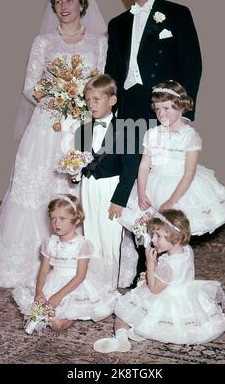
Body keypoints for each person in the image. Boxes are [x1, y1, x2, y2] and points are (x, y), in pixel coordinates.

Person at [0, 0, 108, 288]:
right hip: (46, 127)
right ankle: (25, 265)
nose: (63, 6)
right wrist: (58, 100)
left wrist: (82, 104)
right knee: (34, 190)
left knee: (76, 189)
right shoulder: (43, 42)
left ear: (81, 4)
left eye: (69, 0)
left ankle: (78, 265)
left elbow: (102, 85)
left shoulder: (99, 42)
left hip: (81, 126)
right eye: (58, 2)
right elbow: (30, 87)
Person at [93, 209, 225, 352]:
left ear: (175, 237)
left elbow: (154, 289)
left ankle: (121, 338)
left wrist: (150, 266)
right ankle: (137, 332)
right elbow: (175, 275)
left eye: (158, 236)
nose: (153, 240)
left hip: (165, 298)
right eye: (153, 235)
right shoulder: (187, 249)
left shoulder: (168, 265)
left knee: (122, 315)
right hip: (186, 294)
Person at [119, 80, 225, 237]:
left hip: (179, 190)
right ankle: (152, 260)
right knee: (151, 234)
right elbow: (144, 166)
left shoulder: (190, 136)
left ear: (181, 106)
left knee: (174, 235)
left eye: (166, 108)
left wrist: (171, 202)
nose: (161, 113)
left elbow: (189, 174)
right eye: (158, 108)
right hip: (153, 186)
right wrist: (141, 192)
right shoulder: (152, 134)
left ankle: (177, 260)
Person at [105, 0, 202, 123]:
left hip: (165, 108)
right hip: (127, 109)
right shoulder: (117, 23)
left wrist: (185, 114)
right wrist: (108, 112)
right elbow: (112, 72)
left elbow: (192, 65)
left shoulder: (178, 14)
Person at [13, 195, 119, 333]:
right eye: (53, 218)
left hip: (75, 285)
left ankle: (74, 314)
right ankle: (54, 315)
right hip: (54, 281)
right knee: (39, 311)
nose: (57, 223)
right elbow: (44, 270)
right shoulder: (50, 242)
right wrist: (39, 292)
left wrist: (58, 296)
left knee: (57, 325)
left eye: (62, 219)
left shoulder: (82, 244)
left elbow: (80, 277)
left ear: (77, 219)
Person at [74, 74, 141, 289]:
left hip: (112, 188)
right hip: (88, 187)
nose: (90, 105)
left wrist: (119, 200)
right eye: (87, 100)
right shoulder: (82, 130)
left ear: (111, 100)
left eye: (96, 100)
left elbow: (130, 170)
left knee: (110, 238)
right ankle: (92, 284)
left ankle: (109, 287)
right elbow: (81, 162)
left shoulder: (127, 129)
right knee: (90, 234)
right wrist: (75, 172)